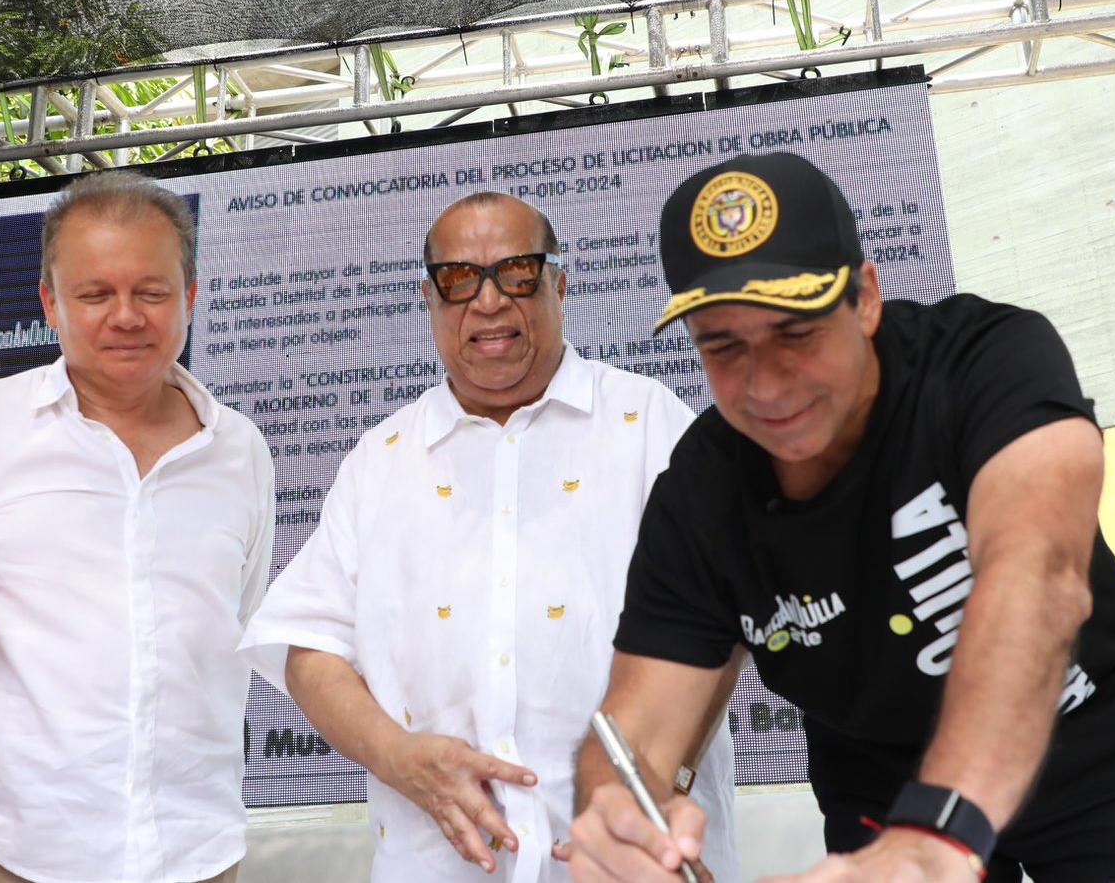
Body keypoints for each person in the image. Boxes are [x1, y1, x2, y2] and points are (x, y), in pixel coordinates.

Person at [563, 152, 1115, 883]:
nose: (765, 384)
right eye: (724, 348)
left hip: (1095, 755)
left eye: (796, 333)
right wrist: (616, 816)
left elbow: (1038, 580)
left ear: (868, 298)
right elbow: (634, 733)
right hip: (881, 794)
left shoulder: (988, 361)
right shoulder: (700, 492)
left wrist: (940, 827)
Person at [238, 192, 739, 883]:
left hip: (634, 860)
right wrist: (399, 756)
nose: (489, 301)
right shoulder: (382, 460)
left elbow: (730, 611)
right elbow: (309, 647)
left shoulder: (650, 424)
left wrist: (664, 776)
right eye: (459, 280)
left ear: (561, 283)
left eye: (518, 272)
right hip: (435, 864)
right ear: (430, 300)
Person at [0, 171, 273, 883]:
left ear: (188, 297)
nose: (125, 316)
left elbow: (236, 620)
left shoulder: (239, 448)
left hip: (193, 851)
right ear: (51, 303)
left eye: (151, 292)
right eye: (95, 293)